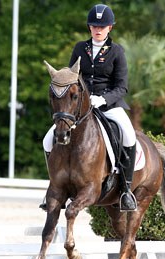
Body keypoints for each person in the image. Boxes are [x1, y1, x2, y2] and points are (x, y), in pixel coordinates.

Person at [42, 4, 137, 211]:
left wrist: (102, 99)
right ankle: (53, 185)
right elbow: (70, 77)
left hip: (108, 104)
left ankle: (126, 190)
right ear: (89, 27)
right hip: (80, 107)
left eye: (102, 26)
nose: (98, 29)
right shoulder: (79, 48)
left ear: (110, 27)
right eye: (94, 25)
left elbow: (122, 87)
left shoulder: (116, 51)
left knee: (129, 135)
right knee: (48, 139)